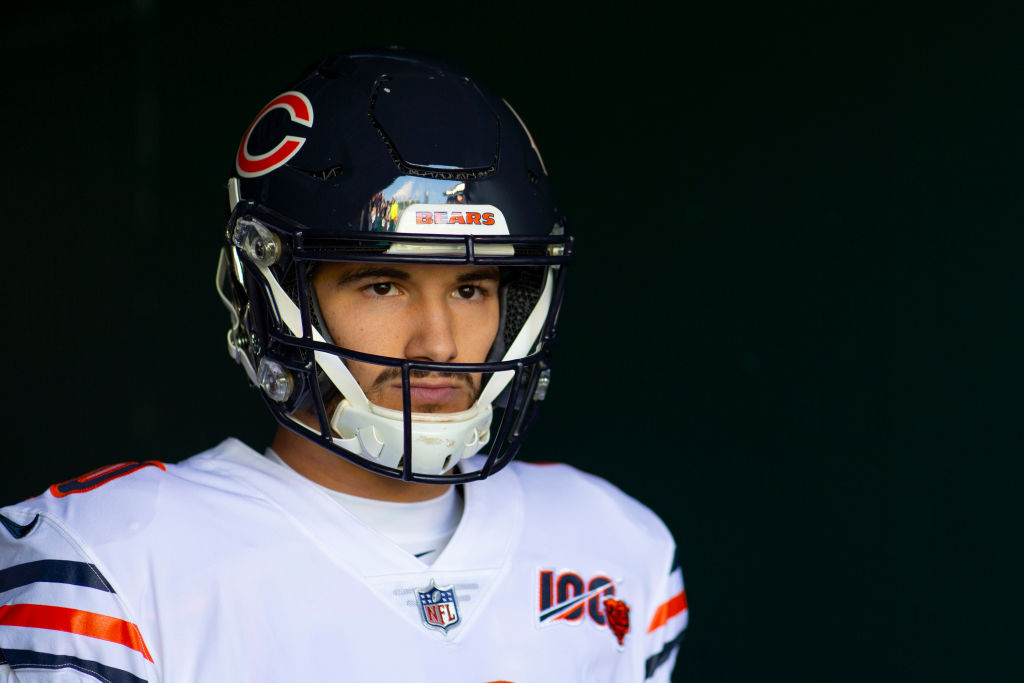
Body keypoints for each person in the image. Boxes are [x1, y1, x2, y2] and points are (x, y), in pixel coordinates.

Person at [0, 48, 687, 682]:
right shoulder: (112, 562)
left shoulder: (616, 548)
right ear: (266, 296)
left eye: (470, 289)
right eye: (383, 285)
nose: (438, 344)